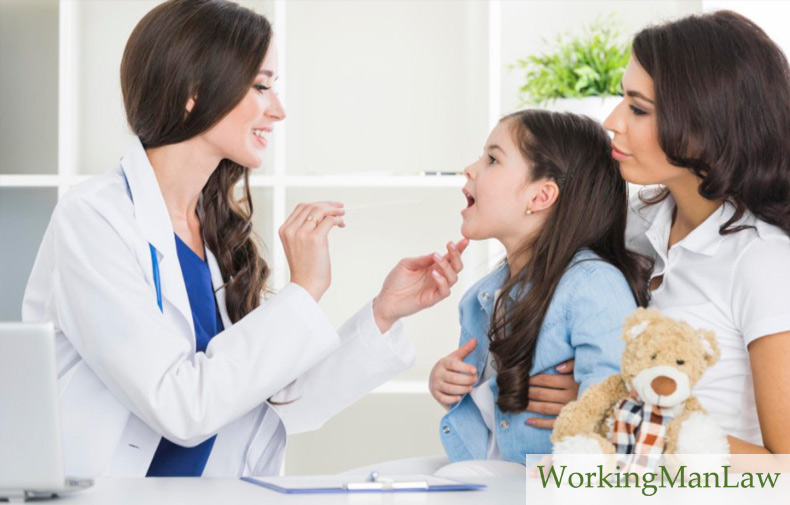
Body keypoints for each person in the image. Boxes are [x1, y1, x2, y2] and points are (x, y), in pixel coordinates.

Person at [21, 0, 467, 478]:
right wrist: (305, 290)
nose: (279, 110)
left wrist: (383, 313)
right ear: (194, 91)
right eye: (261, 87)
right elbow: (180, 407)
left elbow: (271, 402)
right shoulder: (94, 219)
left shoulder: (214, 232)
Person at [526, 10, 790, 456]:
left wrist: (623, 415)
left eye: (638, 108)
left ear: (707, 124)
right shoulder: (636, 224)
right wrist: (596, 392)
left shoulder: (763, 261)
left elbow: (786, 467)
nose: (612, 120)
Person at [428, 109, 652, 465]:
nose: (470, 169)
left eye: (492, 159)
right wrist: (448, 382)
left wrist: (590, 404)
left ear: (541, 197)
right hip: (489, 476)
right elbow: (491, 401)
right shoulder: (484, 297)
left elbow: (618, 421)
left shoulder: (594, 287)